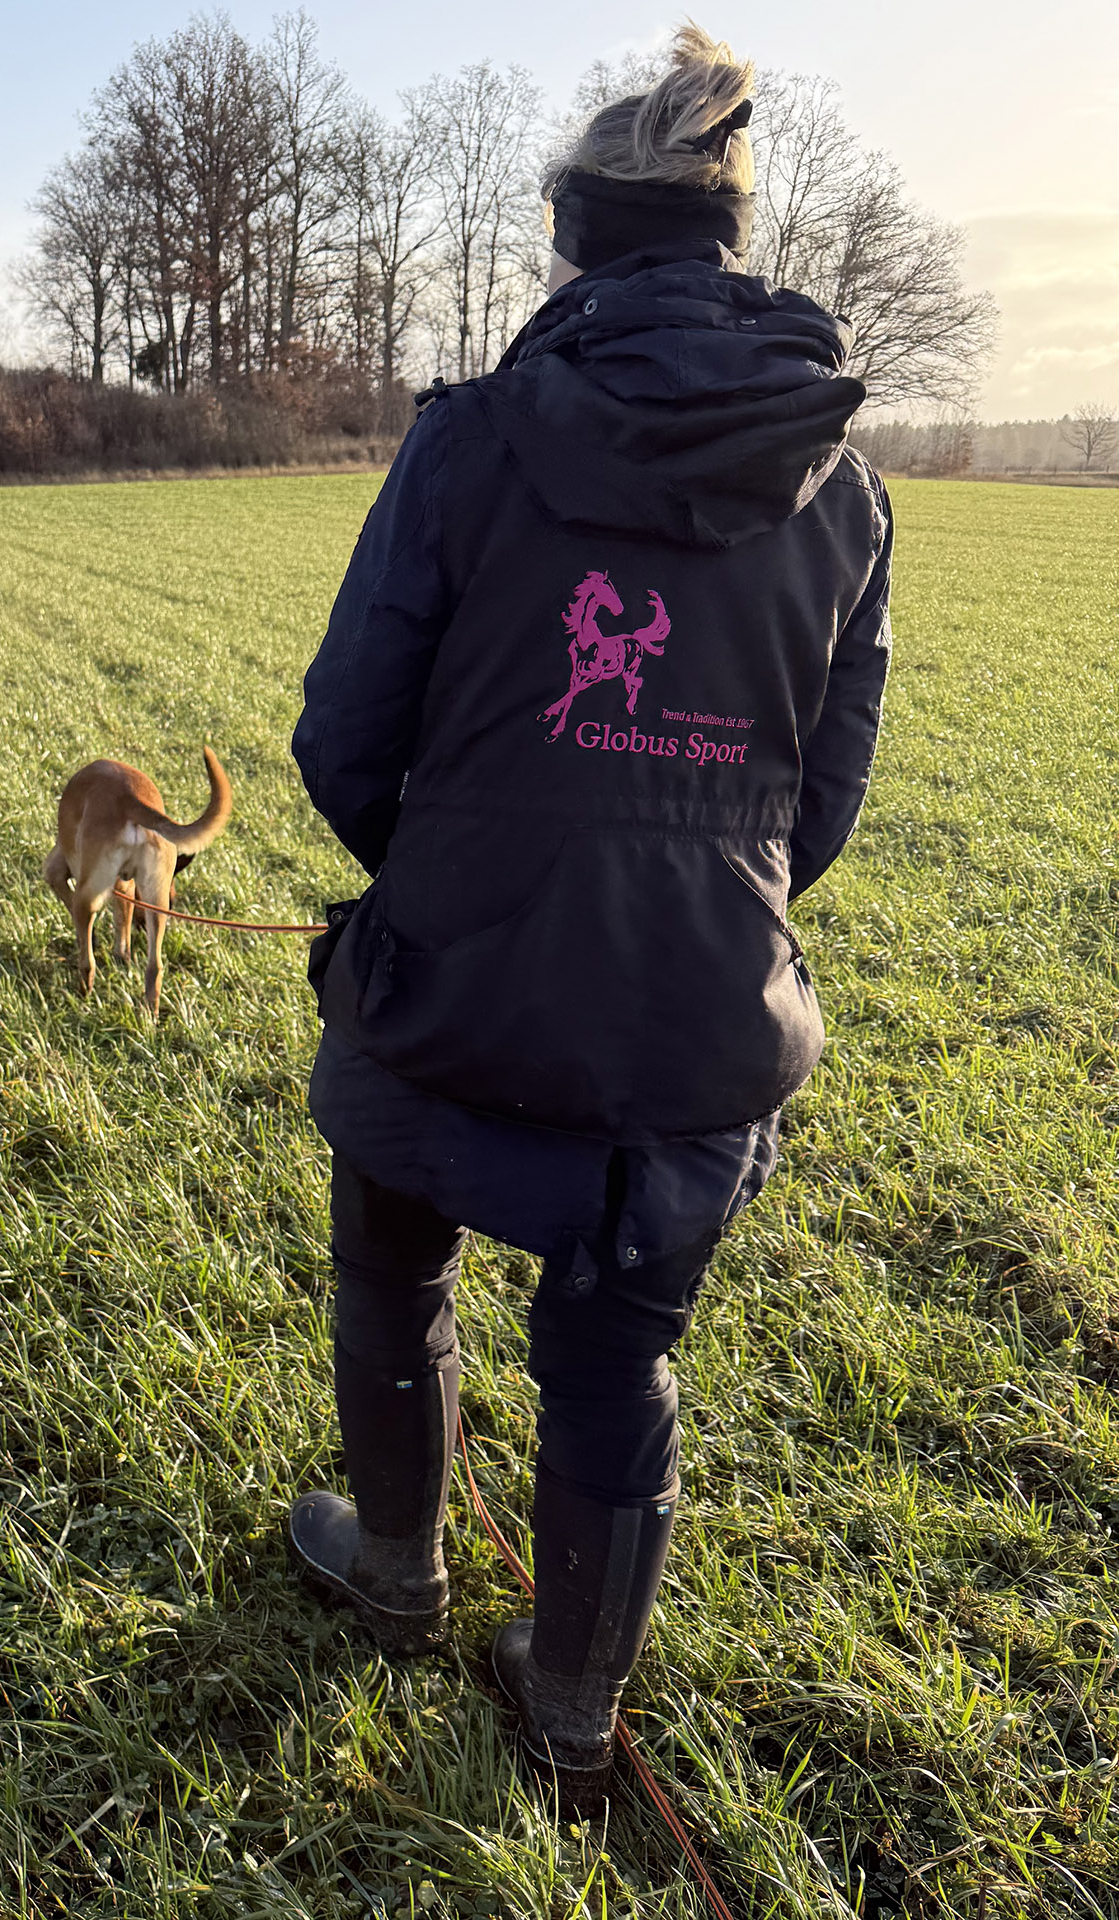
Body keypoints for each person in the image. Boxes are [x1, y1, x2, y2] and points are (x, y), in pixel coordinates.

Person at [286, 25, 892, 1807]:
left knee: (392, 1265)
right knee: (620, 1358)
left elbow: (344, 737)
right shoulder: (847, 490)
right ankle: (569, 1707)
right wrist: (679, 895)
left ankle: (399, 1569)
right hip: (698, 1026)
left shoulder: (470, 441)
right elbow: (818, 807)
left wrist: (465, 876)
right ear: (728, 237)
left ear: (573, 242)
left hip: (446, 994)